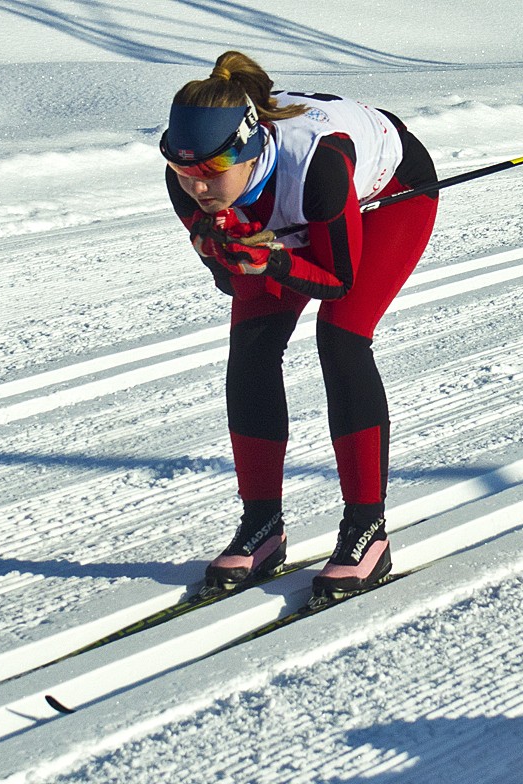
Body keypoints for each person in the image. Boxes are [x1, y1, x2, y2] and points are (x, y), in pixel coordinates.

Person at [161, 51, 438, 599]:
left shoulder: (318, 163)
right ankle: (261, 524)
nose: (196, 187)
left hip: (390, 194)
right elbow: (230, 280)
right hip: (302, 204)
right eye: (182, 170)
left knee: (341, 337)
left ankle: (367, 532)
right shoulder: (191, 177)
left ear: (246, 149)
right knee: (252, 347)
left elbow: (336, 280)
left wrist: (273, 259)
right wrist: (225, 252)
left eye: (211, 171)